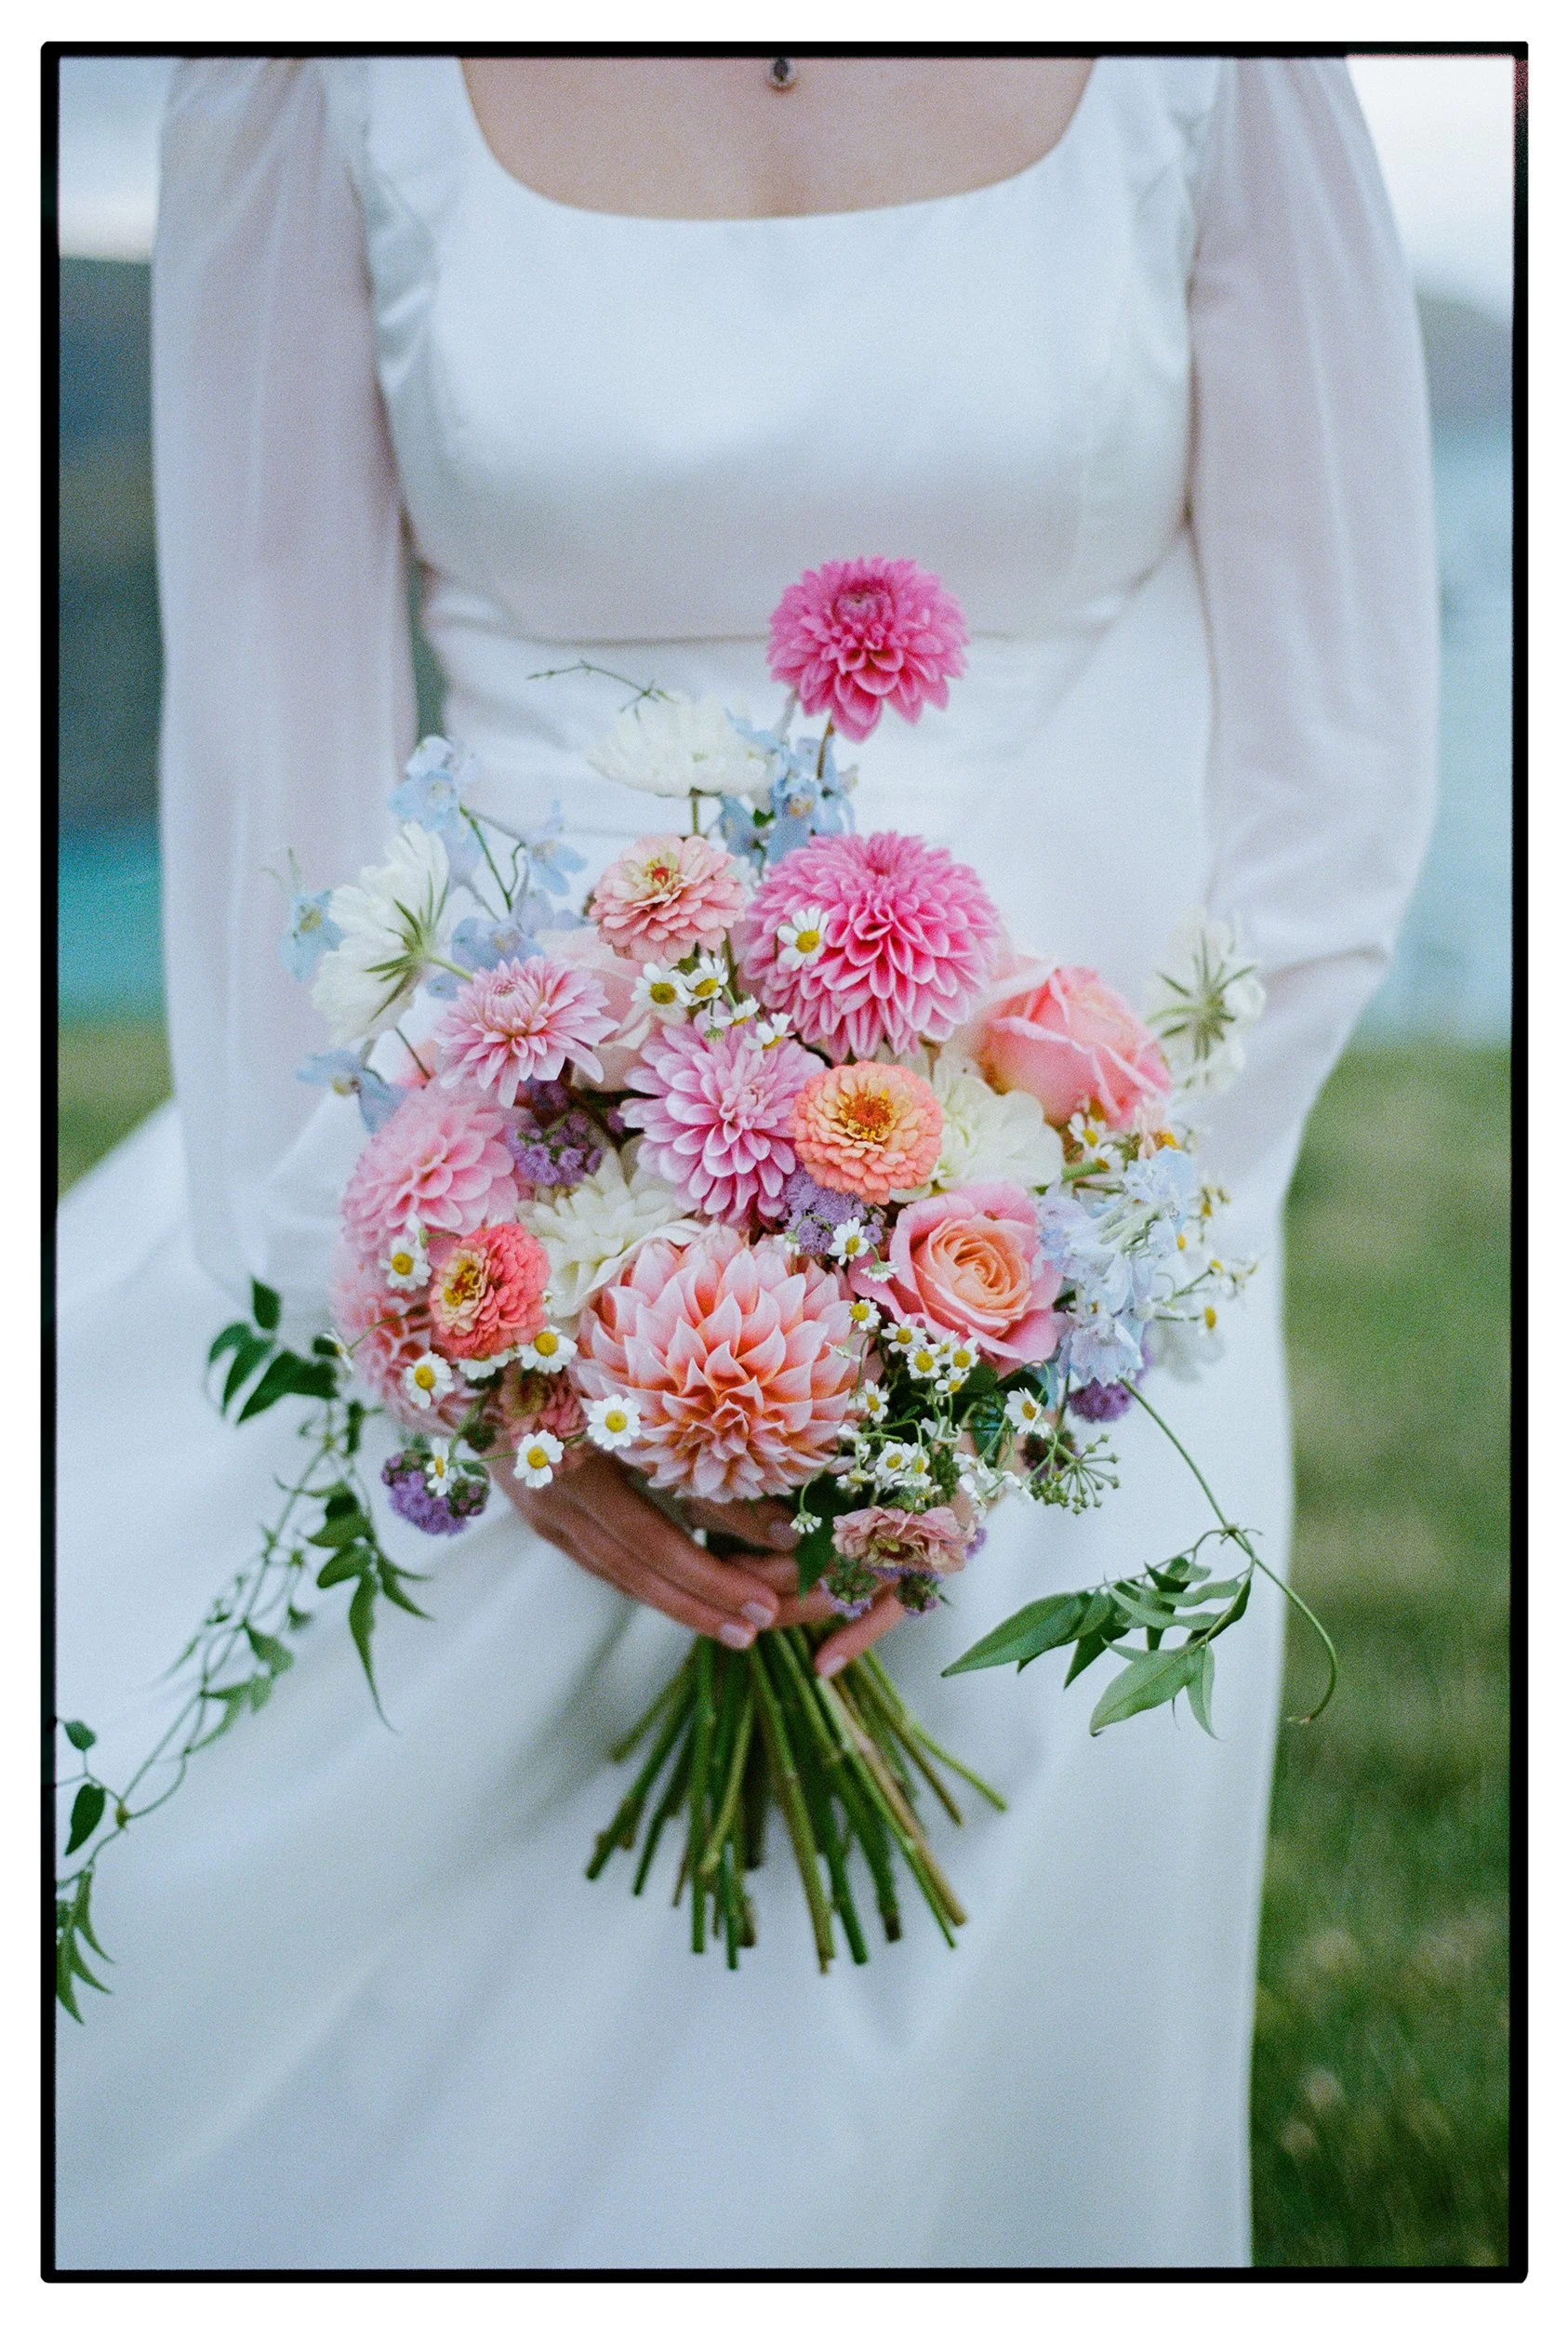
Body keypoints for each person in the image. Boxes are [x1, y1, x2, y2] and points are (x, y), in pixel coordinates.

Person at [54, 54, 1437, 2269]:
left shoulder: (1221, 53)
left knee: (948, 2082)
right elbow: (270, 767)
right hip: (499, 1152)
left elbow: (1339, 755)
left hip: (1078, 1225)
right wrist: (457, 1325)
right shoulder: (314, 68)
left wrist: (1054, 1279)